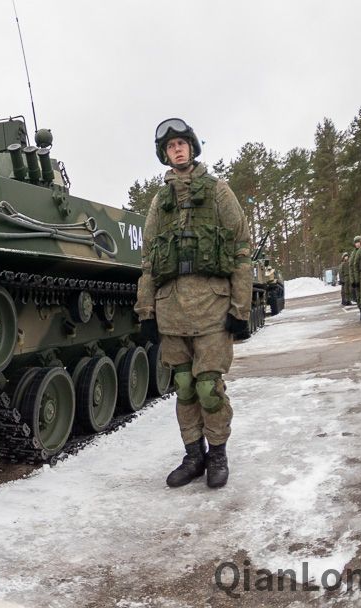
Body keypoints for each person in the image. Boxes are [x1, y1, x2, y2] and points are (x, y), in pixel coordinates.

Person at [136, 118, 251, 490]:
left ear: (193, 146)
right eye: (171, 146)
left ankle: (217, 454)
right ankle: (194, 456)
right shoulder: (160, 201)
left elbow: (240, 249)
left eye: (182, 143)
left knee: (207, 388)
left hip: (211, 308)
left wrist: (240, 308)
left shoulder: (218, 191)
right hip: (171, 310)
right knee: (183, 385)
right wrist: (146, 310)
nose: (178, 149)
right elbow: (150, 260)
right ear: (164, 154)